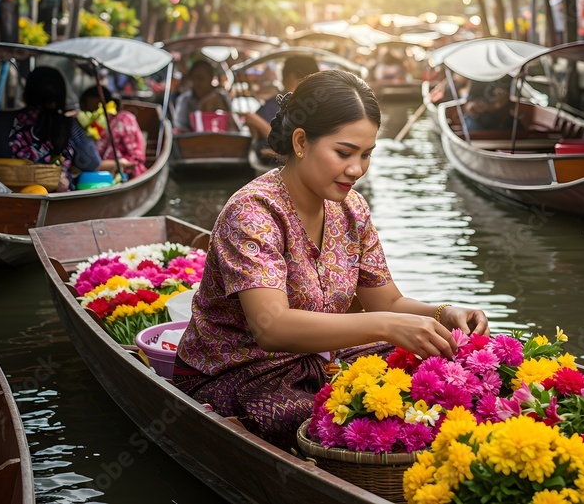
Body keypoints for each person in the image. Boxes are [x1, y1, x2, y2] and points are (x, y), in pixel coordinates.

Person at [173, 70, 490, 448]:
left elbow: (386, 302)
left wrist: (442, 314)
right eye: (344, 153)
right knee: (331, 426)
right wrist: (388, 326)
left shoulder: (352, 208)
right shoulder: (253, 212)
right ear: (302, 141)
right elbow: (271, 327)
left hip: (322, 360)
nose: (356, 169)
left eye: (366, 154)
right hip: (240, 373)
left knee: (448, 370)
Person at [0, 66, 101, 192]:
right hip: (57, 195)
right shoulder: (69, 125)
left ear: (26, 94)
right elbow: (92, 163)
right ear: (61, 96)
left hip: (4, 192)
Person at [243, 55, 319, 165]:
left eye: (283, 76)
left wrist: (255, 120)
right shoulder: (316, 105)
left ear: (291, 77)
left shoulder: (296, 104)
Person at [79, 87, 147, 179]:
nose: (91, 112)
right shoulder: (92, 123)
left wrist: (117, 164)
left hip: (124, 174)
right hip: (96, 175)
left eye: (95, 108)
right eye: (88, 109)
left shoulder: (124, 119)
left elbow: (136, 158)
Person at [172, 60, 232, 133]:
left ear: (210, 78)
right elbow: (180, 125)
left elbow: (230, 123)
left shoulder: (221, 97)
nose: (198, 82)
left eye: (201, 78)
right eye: (194, 78)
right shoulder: (185, 99)